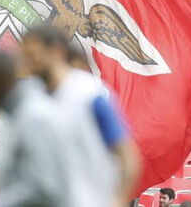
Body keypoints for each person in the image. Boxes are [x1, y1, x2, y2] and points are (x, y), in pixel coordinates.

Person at [20, 26, 140, 206]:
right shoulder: (31, 99)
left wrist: (117, 200)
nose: (28, 63)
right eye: (25, 57)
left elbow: (127, 158)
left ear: (55, 52)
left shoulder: (90, 94)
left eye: (33, 56)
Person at [0, 51, 69, 207]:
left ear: (0, 82)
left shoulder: (34, 116)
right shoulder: (12, 114)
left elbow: (44, 186)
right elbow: (23, 172)